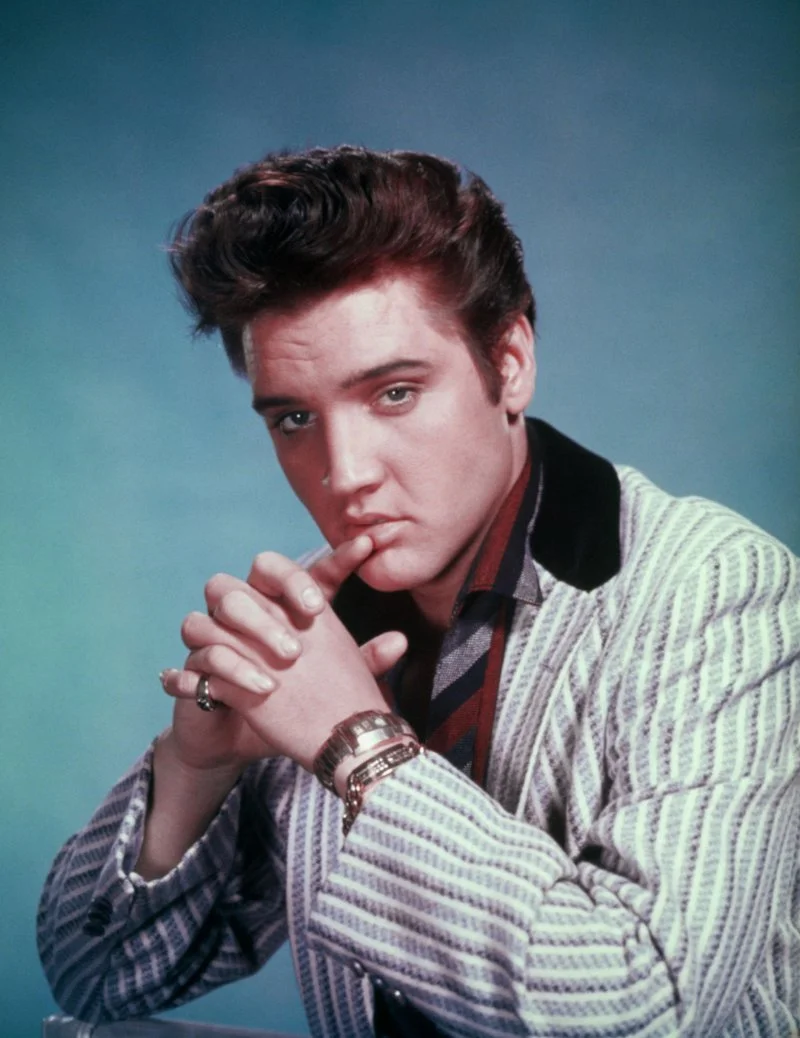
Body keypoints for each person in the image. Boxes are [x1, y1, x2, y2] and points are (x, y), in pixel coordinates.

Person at [38, 146, 799, 1038]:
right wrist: (196, 768)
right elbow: (95, 982)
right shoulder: (317, 632)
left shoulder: (718, 586)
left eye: (394, 393)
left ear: (509, 362)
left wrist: (357, 748)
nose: (344, 473)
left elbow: (652, 1011)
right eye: (294, 419)